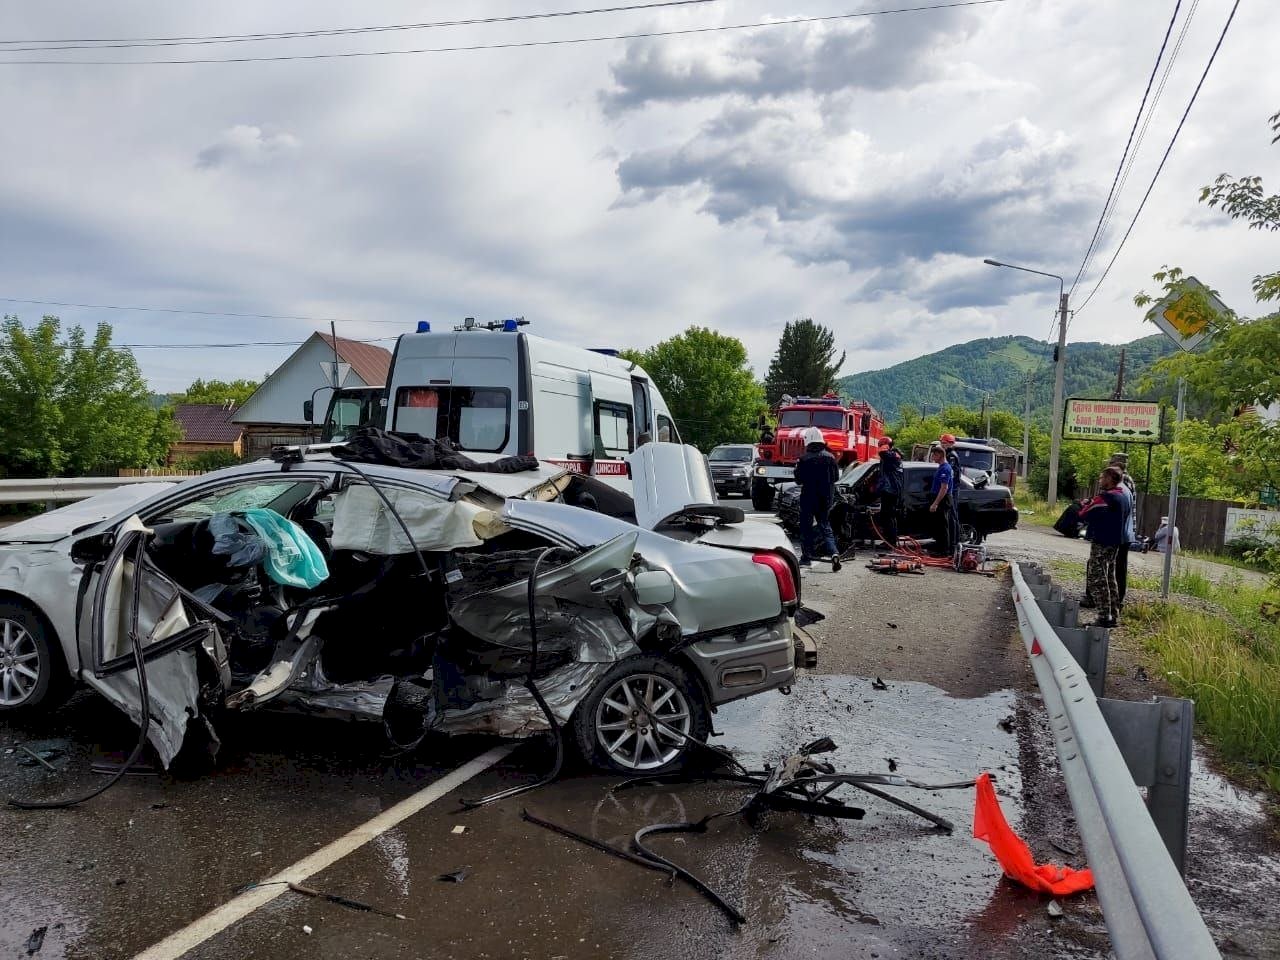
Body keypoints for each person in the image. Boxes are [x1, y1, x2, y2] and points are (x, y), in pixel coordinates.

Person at [1078, 466, 1130, 628]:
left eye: (1102, 478)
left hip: (1102, 541)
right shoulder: (1123, 496)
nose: (1100, 481)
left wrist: (1083, 504)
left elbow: (1085, 513)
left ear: (1109, 479)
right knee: (1110, 578)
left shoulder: (1106, 497)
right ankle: (1113, 614)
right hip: (1115, 542)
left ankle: (1104, 616)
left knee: (1097, 578)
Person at [1085, 453, 1138, 609]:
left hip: (1115, 532)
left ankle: (1102, 603)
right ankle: (1113, 603)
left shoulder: (1121, 481)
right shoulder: (1125, 481)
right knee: (1114, 568)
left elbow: (1112, 505)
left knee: (1102, 568)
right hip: (1123, 531)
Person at [794, 426, 842, 572]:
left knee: (806, 528)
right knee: (825, 526)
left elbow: (798, 480)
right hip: (826, 498)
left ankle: (806, 558)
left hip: (808, 498)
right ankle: (834, 552)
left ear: (807, 441)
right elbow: (836, 478)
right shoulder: (831, 458)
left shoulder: (804, 459)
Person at [927, 444, 955, 558]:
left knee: (943, 526)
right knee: (938, 525)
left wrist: (935, 503)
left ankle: (944, 551)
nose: (933, 456)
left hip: (943, 499)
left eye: (934, 454)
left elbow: (944, 488)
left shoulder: (945, 468)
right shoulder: (940, 467)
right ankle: (938, 548)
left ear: (940, 455)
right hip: (939, 497)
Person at [875, 436, 904, 546]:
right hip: (889, 489)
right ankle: (888, 540)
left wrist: (884, 447)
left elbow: (883, 453)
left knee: (889, 516)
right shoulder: (892, 455)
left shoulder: (892, 455)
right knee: (886, 516)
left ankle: (891, 542)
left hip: (891, 490)